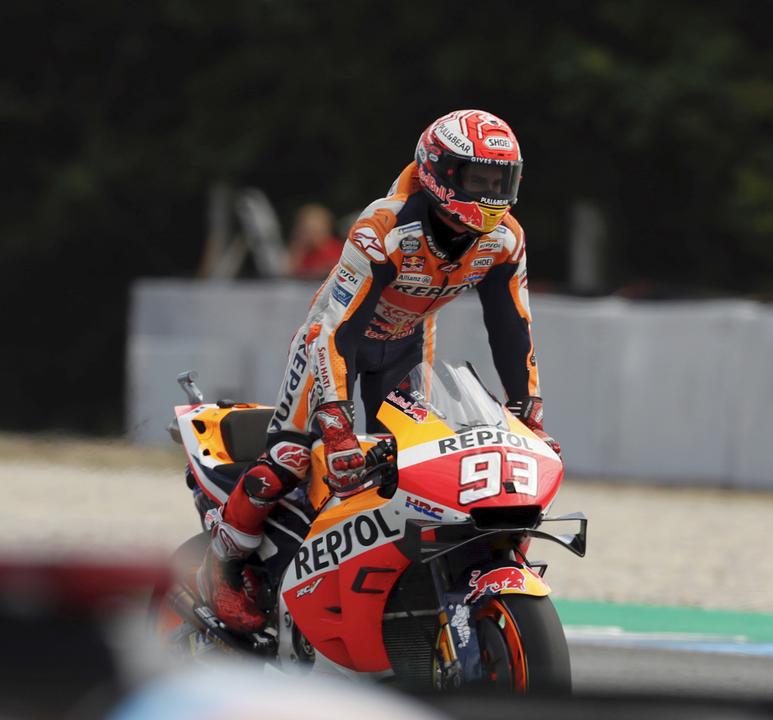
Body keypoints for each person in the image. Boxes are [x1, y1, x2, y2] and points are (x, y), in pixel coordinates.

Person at [197, 109, 558, 634]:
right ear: (439, 171)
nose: (491, 194)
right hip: (333, 343)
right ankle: (222, 567)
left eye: (501, 181)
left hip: (408, 343)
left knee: (415, 461)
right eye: (478, 179)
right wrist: (337, 425)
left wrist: (530, 416)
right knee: (290, 458)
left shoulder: (506, 239)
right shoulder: (384, 227)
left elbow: (513, 331)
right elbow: (337, 330)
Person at [287, 204, 344, 279]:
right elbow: (290, 272)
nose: (311, 235)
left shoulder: (338, 249)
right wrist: (299, 248)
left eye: (315, 230)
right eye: (306, 230)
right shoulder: (304, 251)